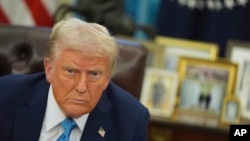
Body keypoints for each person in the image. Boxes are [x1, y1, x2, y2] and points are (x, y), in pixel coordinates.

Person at [0, 18, 150, 141]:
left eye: (94, 74)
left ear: (107, 78)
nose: (82, 86)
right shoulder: (5, 96)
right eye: (71, 71)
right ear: (49, 69)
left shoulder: (131, 121)